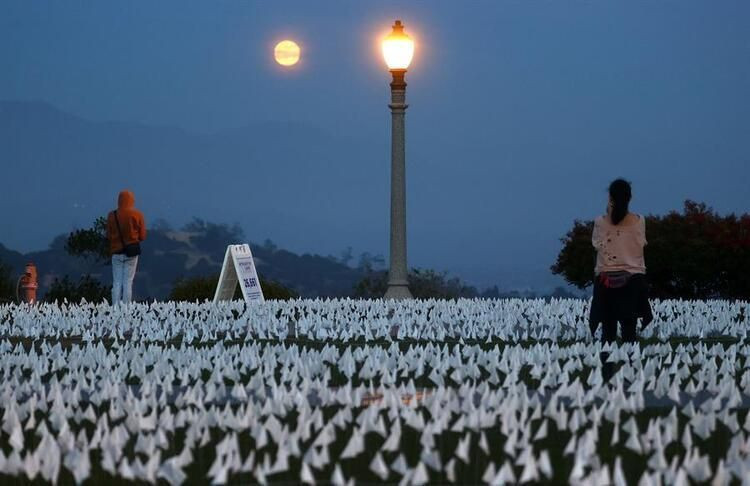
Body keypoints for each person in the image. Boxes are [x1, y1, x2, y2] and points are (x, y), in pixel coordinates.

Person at [589, 179, 652, 380]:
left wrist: (609, 210)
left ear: (610, 198)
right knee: (629, 332)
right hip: (633, 282)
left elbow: (597, 244)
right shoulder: (640, 221)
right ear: (630, 198)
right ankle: (631, 377)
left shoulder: (600, 222)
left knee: (607, 332)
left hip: (607, 282)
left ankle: (606, 376)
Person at [107, 190, 146, 304]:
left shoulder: (111, 215)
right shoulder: (137, 215)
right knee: (128, 282)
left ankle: (115, 307)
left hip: (116, 252)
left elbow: (108, 235)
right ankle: (126, 308)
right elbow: (143, 236)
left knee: (117, 282)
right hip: (131, 253)